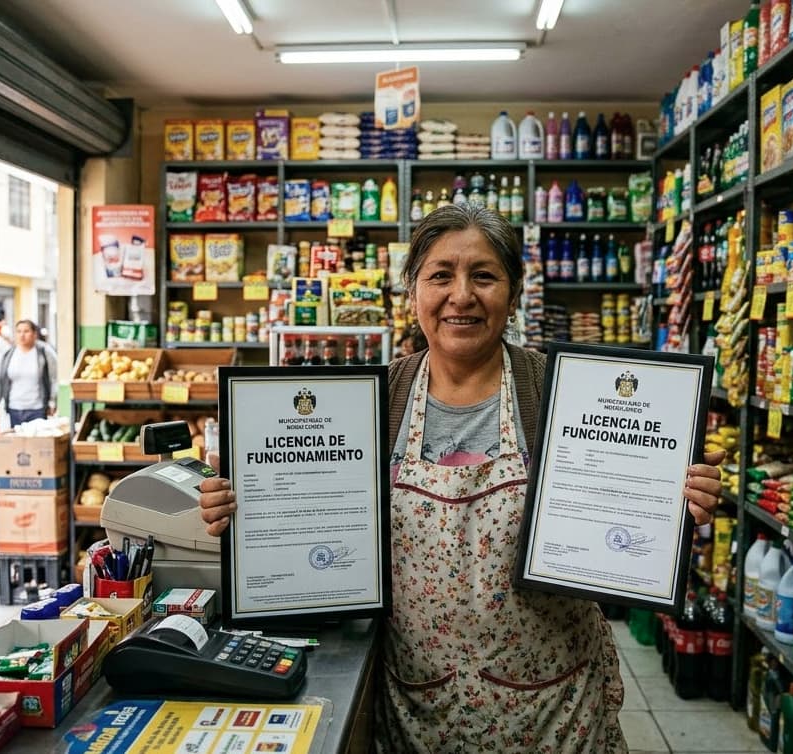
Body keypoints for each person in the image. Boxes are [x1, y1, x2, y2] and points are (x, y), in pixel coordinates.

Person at [197, 204, 725, 752]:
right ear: (413, 291)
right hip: (421, 703)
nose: (462, 296)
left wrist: (670, 500)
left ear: (514, 293)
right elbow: (315, 524)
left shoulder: (560, 391)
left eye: (485, 275)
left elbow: (625, 508)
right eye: (441, 275)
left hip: (554, 705)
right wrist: (245, 507)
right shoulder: (372, 401)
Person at [0, 319, 58, 429]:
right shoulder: (9, 354)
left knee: (36, 445)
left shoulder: (44, 352)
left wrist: (52, 401)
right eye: (19, 331)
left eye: (26, 331)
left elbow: (54, 379)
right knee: (18, 444)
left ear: (34, 334)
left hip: (38, 409)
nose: (22, 335)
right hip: (14, 409)